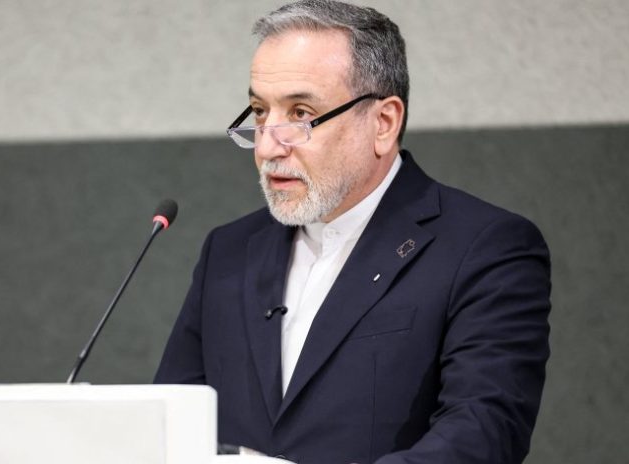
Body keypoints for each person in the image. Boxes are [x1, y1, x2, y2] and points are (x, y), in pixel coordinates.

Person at [154, 1, 551, 463]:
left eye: (301, 113)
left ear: (383, 123)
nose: (267, 146)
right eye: (260, 112)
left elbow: (484, 432)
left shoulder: (485, 248)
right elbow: (170, 421)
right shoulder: (229, 251)